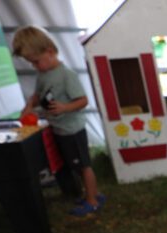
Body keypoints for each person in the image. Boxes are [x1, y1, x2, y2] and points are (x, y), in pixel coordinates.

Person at [12, 25, 104, 217]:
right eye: (31, 63)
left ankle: (93, 201)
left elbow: (83, 100)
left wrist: (64, 108)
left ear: (50, 52)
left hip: (73, 130)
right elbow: (38, 95)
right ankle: (91, 193)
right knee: (73, 165)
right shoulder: (44, 74)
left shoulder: (66, 75)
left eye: (36, 62)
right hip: (60, 129)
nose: (34, 66)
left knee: (83, 166)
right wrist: (29, 106)